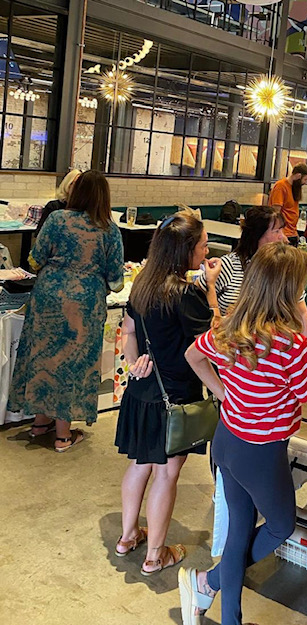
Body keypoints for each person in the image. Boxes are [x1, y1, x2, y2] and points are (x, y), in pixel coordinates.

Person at [178, 243, 307, 625]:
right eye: (301, 287)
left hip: (228, 441)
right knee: (281, 525)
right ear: (289, 291)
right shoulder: (290, 344)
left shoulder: (232, 326)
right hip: (261, 452)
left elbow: (192, 357)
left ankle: (226, 621)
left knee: (239, 530)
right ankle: (211, 582)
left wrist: (224, 393)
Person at [114, 212, 218, 575]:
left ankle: (128, 536)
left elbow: (127, 329)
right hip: (175, 398)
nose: (206, 254)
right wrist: (211, 292)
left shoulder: (142, 283)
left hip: (142, 392)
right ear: (185, 250)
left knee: (140, 464)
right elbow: (210, 343)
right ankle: (155, 555)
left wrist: (134, 363)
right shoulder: (187, 294)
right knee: (166, 474)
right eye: (203, 246)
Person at [8, 170, 123, 451]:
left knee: (44, 355)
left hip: (48, 296)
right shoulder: (109, 229)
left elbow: (34, 260)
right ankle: (62, 436)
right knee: (74, 365)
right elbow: (117, 281)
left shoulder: (57, 219)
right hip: (84, 304)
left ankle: (38, 424)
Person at [206, 205, 307, 352]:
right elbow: (199, 306)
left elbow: (302, 313)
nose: (283, 237)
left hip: (266, 353)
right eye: (277, 231)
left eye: (282, 230)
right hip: (230, 352)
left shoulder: (282, 269)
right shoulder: (227, 266)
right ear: (257, 235)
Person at [268, 163, 307, 246]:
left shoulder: (294, 188)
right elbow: (275, 213)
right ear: (298, 176)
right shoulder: (281, 186)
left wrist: (295, 233)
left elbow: (292, 211)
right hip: (284, 234)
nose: (305, 182)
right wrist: (281, 234)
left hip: (292, 233)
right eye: (305, 179)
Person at [36, 169, 81, 236]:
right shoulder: (54, 207)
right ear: (68, 185)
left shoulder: (84, 208)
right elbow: (40, 234)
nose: (80, 187)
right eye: (76, 183)